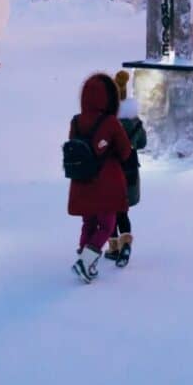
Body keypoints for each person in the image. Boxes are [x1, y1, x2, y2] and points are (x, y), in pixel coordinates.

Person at [66, 72, 133, 283]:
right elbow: (125, 152)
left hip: (81, 182)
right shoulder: (111, 122)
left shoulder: (76, 122)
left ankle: (86, 261)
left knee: (88, 223)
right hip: (106, 183)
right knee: (106, 224)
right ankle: (85, 262)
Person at [106, 70, 147, 269]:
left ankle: (113, 247)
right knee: (123, 210)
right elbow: (142, 143)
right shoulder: (134, 120)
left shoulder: (108, 121)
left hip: (110, 170)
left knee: (110, 210)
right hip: (130, 169)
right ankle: (125, 244)